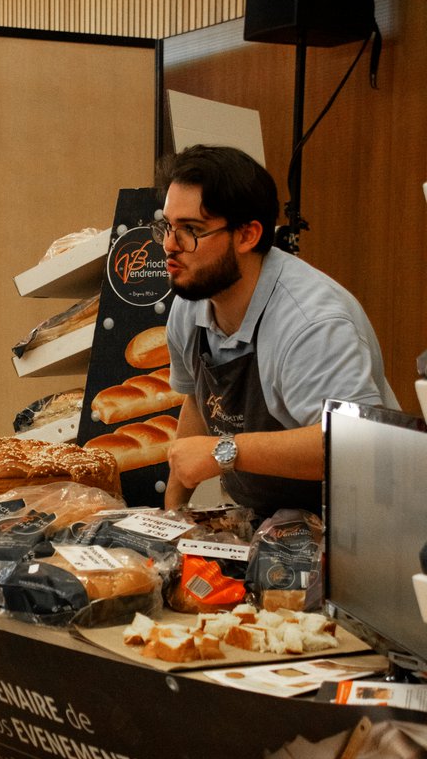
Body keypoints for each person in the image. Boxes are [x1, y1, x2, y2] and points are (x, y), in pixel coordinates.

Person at [156, 143, 396, 518]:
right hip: (272, 521)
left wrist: (224, 452)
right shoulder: (192, 302)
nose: (170, 246)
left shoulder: (310, 322)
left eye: (191, 230)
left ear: (247, 235)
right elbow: (200, 404)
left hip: (363, 522)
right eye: (168, 227)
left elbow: (353, 445)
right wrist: (172, 515)